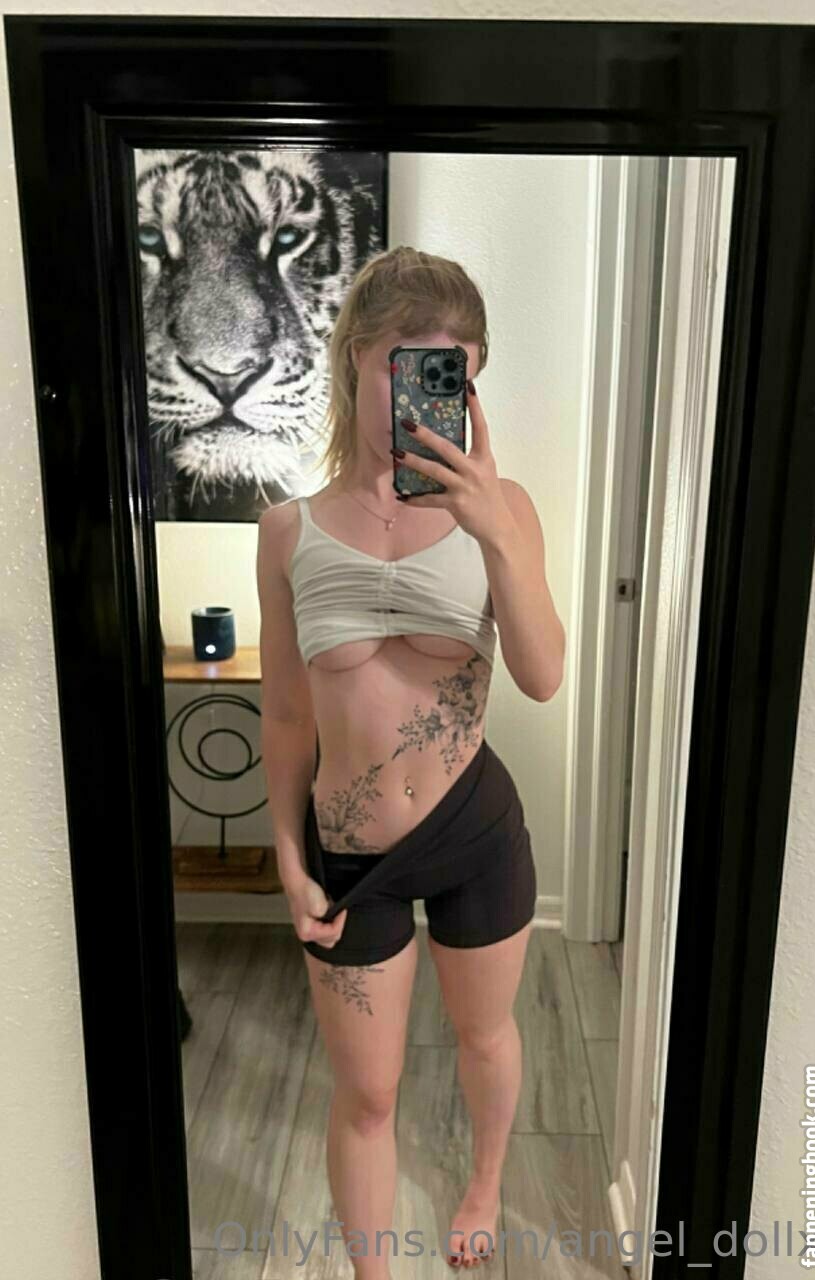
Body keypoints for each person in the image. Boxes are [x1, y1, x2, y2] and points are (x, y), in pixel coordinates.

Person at [257, 245, 565, 1277]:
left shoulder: (502, 507)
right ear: (356, 358)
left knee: (485, 1035)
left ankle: (483, 1185)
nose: (427, 395)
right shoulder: (287, 532)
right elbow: (287, 714)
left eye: (453, 374)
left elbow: (543, 675)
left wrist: (495, 533)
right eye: (408, 366)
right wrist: (286, 857)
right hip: (350, 853)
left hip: (474, 827)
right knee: (368, 1093)